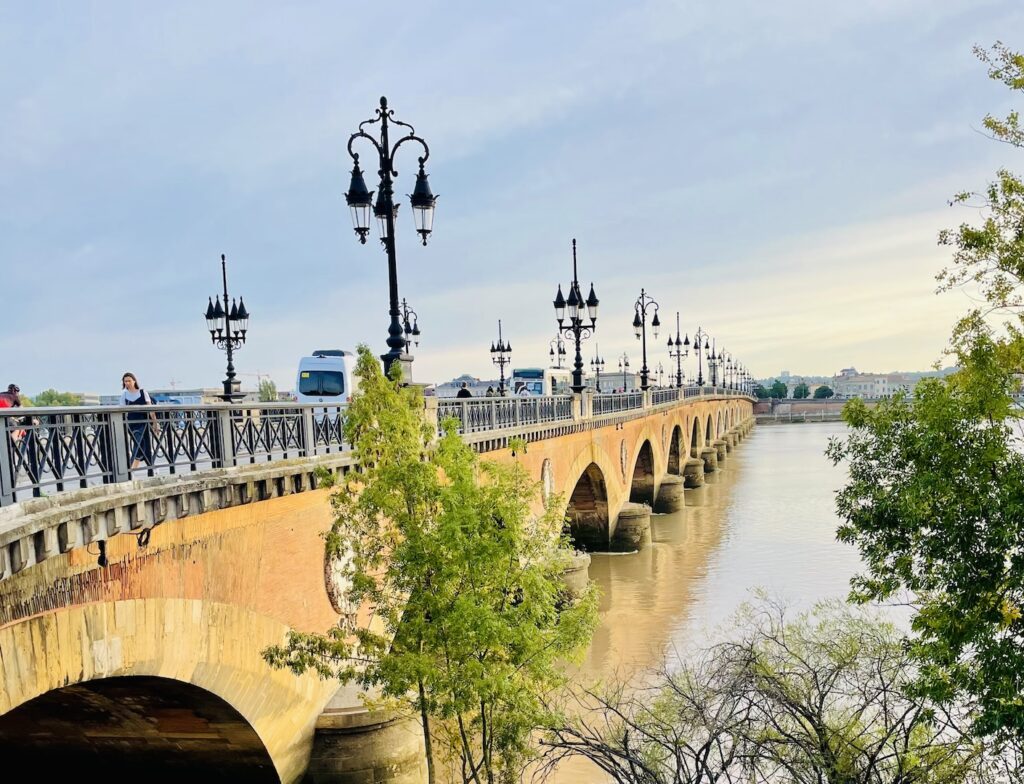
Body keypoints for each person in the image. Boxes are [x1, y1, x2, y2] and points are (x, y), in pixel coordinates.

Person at [120, 372, 159, 470]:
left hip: (143, 422)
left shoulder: (142, 392)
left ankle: (132, 469)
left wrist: (155, 423)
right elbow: (121, 411)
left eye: (129, 380)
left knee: (141, 445)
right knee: (141, 445)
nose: (127, 383)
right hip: (131, 423)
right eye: (125, 381)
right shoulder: (124, 395)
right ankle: (147, 468)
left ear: (134, 381)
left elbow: (150, 409)